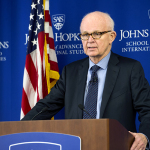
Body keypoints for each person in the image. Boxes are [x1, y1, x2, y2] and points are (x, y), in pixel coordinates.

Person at [22, 11, 150, 150]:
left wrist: (145, 136)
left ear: (111, 37)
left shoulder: (130, 69)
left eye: (96, 34)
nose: (90, 40)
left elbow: (147, 109)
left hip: (116, 145)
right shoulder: (70, 71)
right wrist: (19, 128)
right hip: (76, 145)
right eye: (85, 35)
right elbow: (47, 106)